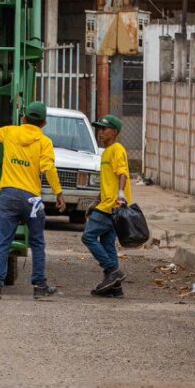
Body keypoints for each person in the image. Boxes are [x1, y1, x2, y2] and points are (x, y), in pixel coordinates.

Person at [0, 101, 66, 301]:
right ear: (44, 123)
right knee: (37, 242)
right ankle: (39, 286)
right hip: (32, 199)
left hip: (9, 195)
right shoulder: (44, 142)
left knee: (3, 241)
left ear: (24, 119)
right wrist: (58, 193)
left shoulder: (11, 132)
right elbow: (49, 169)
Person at [84, 114, 132, 297]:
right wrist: (95, 202)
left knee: (88, 237)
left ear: (115, 132)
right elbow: (107, 182)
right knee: (107, 243)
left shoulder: (117, 149)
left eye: (104, 129)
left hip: (112, 205)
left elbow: (122, 174)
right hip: (105, 203)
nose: (100, 133)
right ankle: (115, 288)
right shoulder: (107, 151)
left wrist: (120, 195)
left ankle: (113, 271)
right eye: (99, 129)